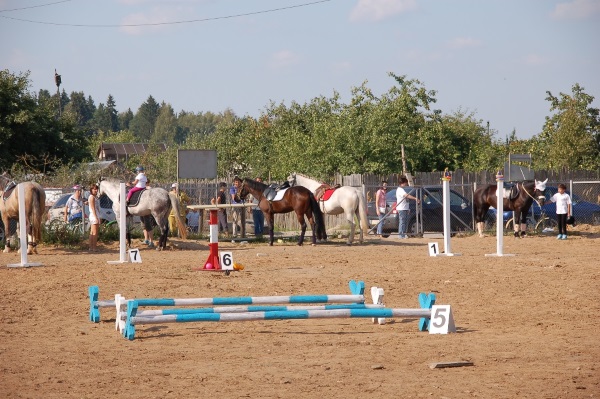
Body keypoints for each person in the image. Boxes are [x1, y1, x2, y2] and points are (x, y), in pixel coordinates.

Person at [88, 183, 100, 251]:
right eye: (94, 189)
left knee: (92, 232)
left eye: (96, 189)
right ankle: (94, 247)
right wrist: (96, 217)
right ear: (91, 190)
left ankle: (91, 247)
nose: (95, 190)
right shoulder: (92, 197)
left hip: (95, 214)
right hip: (94, 215)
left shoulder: (94, 197)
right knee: (94, 232)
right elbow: (93, 208)